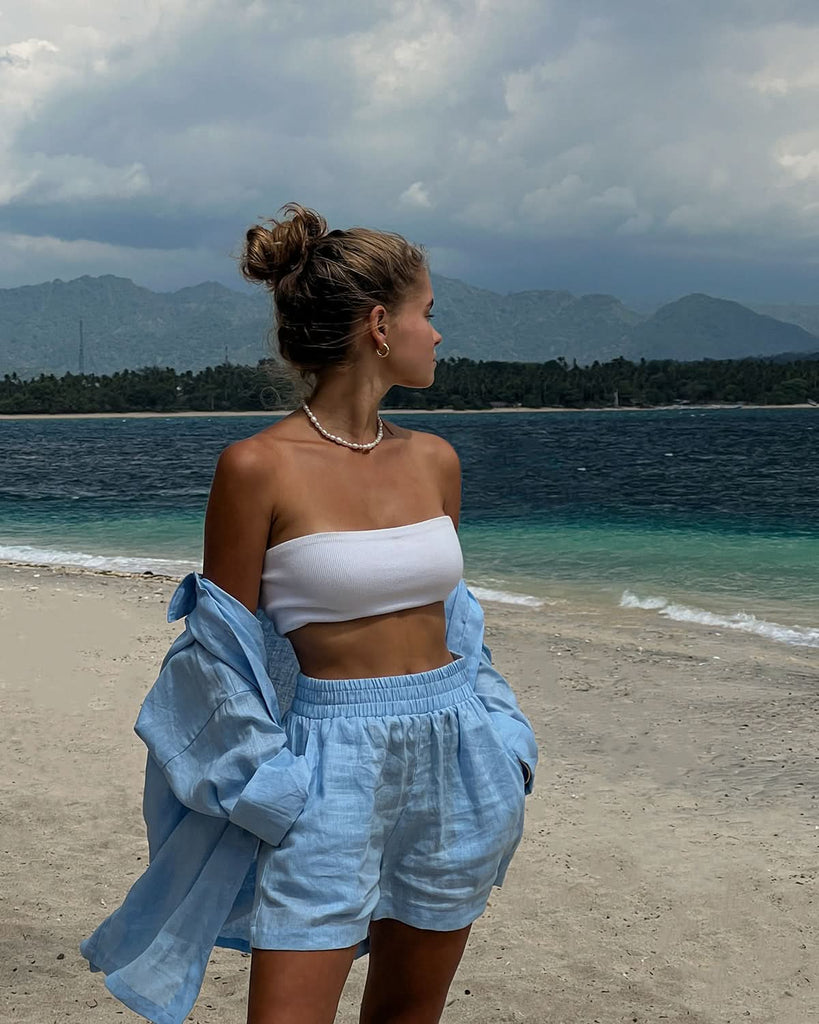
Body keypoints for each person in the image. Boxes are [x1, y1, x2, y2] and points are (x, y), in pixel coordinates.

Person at [80, 203, 537, 1024]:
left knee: (407, 1014)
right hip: (328, 761)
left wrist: (506, 739)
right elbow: (219, 653)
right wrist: (269, 786)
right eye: (426, 314)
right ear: (377, 324)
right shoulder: (256, 467)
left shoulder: (434, 460)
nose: (437, 334)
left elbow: (458, 622)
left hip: (460, 752)